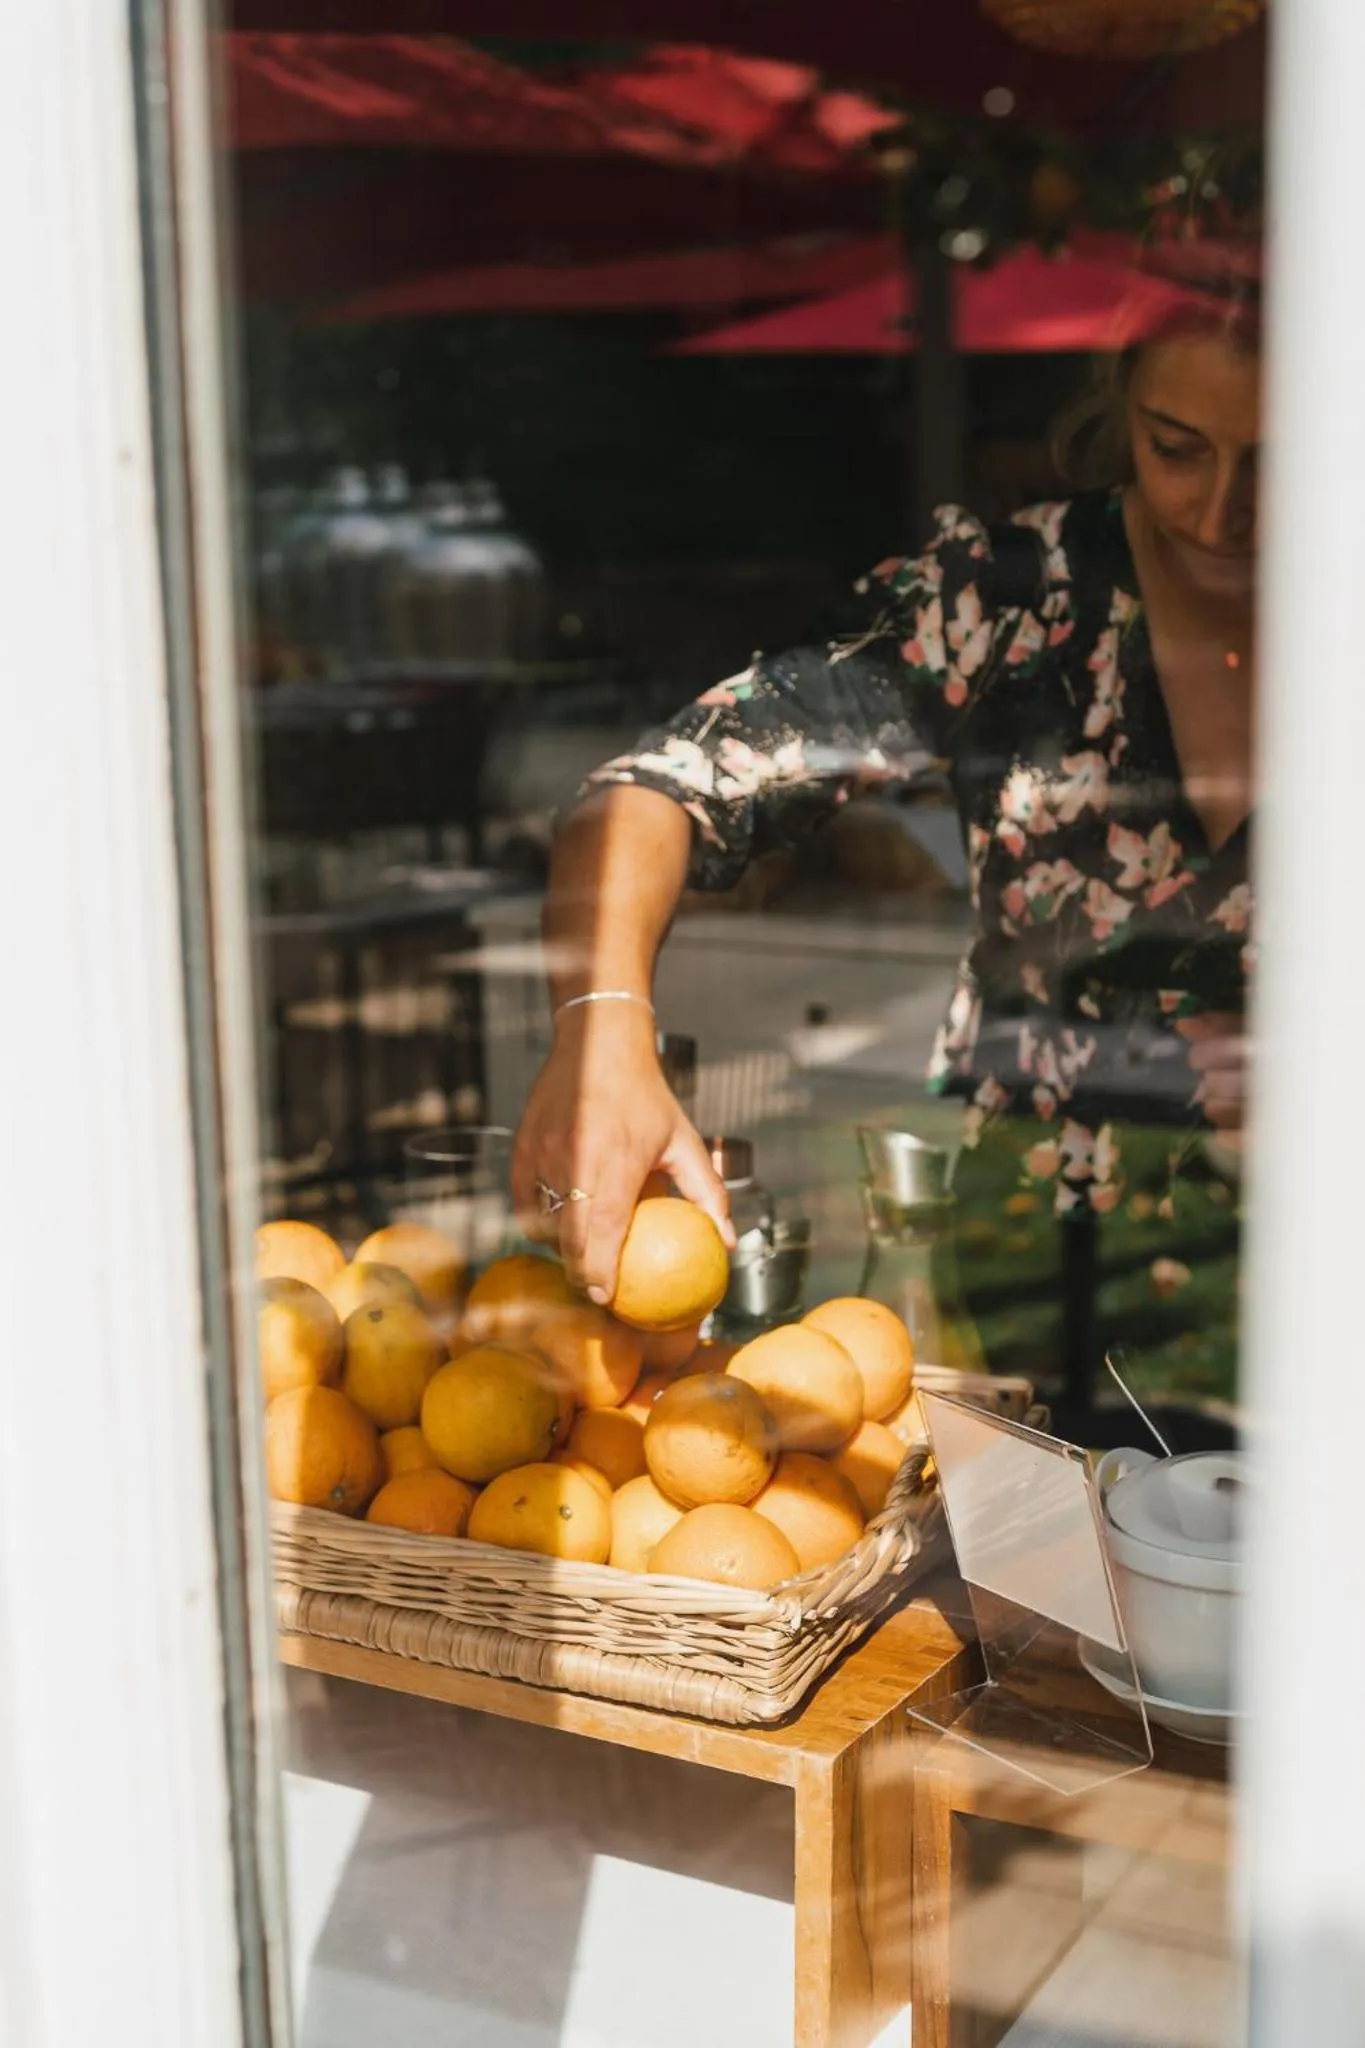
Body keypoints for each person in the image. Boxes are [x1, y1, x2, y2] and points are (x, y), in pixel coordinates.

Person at [515, 242, 1259, 1350]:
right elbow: (656, 789)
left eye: (1288, 460)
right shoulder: (1010, 602)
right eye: (1177, 448)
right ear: (1120, 404)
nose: (1221, 512)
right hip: (1035, 1306)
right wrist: (601, 1027)